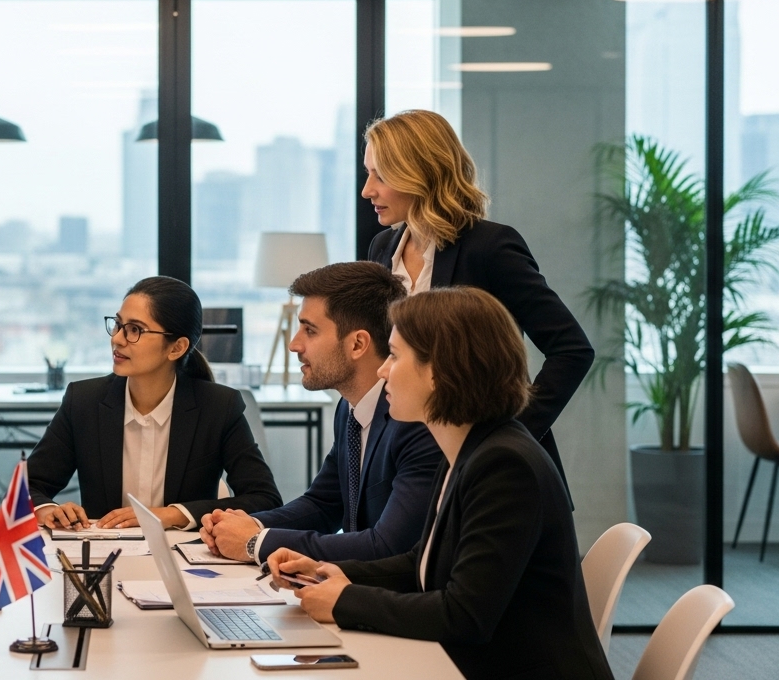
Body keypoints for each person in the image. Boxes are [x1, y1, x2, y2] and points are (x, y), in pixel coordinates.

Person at [266, 288, 611, 680]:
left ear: (440, 370)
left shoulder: (504, 465)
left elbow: (464, 615)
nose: (382, 370)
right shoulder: (469, 447)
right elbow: (423, 562)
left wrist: (345, 600)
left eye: (394, 356)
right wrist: (329, 572)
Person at [361, 109, 593, 492]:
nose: (367, 190)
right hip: (405, 465)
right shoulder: (381, 248)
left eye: (379, 175)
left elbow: (572, 350)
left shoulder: (490, 247)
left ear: (419, 172)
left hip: (491, 479)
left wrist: (507, 436)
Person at [199, 262, 440, 563]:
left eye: (309, 330)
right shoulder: (349, 409)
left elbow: (388, 546)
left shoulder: (414, 420)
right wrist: (251, 525)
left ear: (357, 344)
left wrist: (256, 542)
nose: (293, 344)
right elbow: (324, 504)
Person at [29, 276, 281, 530]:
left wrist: (173, 514)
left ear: (176, 348)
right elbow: (29, 486)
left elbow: (265, 499)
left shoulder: (218, 407)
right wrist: (48, 509)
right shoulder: (84, 401)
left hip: (183, 560)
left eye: (135, 329)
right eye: (118, 325)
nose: (117, 338)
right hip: (104, 557)